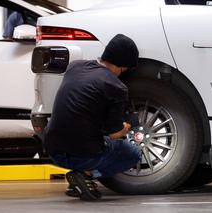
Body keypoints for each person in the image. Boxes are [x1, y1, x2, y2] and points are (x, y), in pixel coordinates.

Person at [43, 34, 141, 201]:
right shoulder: (117, 87)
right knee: (132, 154)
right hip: (83, 153)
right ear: (122, 67)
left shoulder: (75, 67)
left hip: (53, 149)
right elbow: (114, 134)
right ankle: (86, 175)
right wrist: (125, 127)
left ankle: (80, 180)